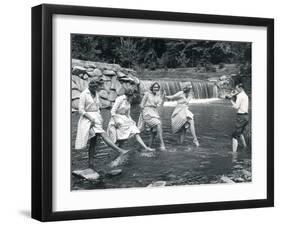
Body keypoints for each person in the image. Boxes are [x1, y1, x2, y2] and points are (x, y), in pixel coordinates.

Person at [75, 80, 129, 168]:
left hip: (96, 118)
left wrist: (100, 117)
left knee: (93, 142)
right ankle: (120, 150)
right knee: (103, 134)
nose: (94, 88)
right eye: (92, 86)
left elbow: (98, 107)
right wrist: (91, 118)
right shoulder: (84, 94)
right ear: (89, 85)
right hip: (88, 119)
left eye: (95, 86)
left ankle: (90, 163)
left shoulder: (96, 94)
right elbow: (81, 110)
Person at [137, 82, 166, 151]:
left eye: (157, 87)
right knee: (158, 123)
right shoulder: (147, 94)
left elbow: (160, 105)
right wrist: (143, 114)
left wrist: (163, 97)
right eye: (154, 87)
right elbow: (141, 105)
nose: (156, 88)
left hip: (154, 113)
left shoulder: (158, 96)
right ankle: (162, 144)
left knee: (153, 133)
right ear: (152, 87)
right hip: (147, 112)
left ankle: (149, 147)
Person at [228, 83, 249, 153]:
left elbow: (236, 107)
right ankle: (245, 147)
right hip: (246, 117)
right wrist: (233, 96)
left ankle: (234, 153)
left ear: (240, 88)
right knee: (240, 133)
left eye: (237, 89)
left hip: (241, 117)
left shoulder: (240, 95)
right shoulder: (245, 95)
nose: (236, 90)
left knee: (234, 136)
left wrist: (231, 100)